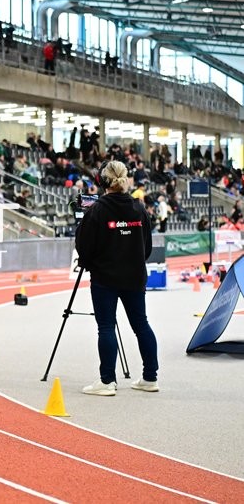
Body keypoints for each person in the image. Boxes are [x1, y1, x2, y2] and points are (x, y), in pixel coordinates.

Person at [75, 160, 159, 396]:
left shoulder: (97, 210)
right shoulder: (138, 208)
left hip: (105, 279)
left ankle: (107, 381)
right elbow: (147, 247)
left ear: (103, 181)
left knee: (106, 327)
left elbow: (83, 247)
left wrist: (92, 264)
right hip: (134, 277)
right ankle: (150, 377)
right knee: (141, 325)